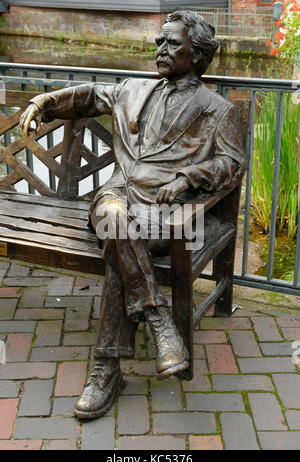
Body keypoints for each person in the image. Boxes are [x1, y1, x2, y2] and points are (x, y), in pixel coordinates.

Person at [19, 10, 246, 420]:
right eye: (159, 41)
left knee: (119, 246)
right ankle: (160, 322)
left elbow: (231, 164)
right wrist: (43, 101)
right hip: (117, 197)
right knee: (115, 217)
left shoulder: (217, 109)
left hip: (166, 214)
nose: (159, 49)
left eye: (171, 43)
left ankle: (107, 370)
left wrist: (189, 176)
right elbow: (88, 96)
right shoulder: (133, 89)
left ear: (196, 55)